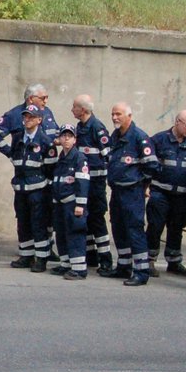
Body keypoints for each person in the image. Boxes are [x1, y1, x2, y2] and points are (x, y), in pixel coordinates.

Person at [101, 101, 156, 286]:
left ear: (129, 116)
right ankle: (123, 266)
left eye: (119, 114)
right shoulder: (115, 136)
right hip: (117, 190)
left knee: (134, 229)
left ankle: (141, 271)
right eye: (113, 114)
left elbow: (151, 166)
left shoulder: (140, 137)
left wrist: (142, 185)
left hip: (132, 192)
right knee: (118, 227)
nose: (115, 117)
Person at [146, 111, 186, 276]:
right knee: (155, 226)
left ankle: (174, 261)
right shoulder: (159, 140)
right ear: (178, 122)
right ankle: (149, 261)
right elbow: (148, 164)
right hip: (161, 193)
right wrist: (146, 186)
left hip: (181, 196)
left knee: (177, 228)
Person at [5, 104, 53, 271]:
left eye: (31, 117)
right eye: (25, 116)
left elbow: (50, 169)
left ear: (39, 120)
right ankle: (26, 255)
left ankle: (41, 258)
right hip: (20, 188)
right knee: (23, 223)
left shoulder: (46, 142)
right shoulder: (18, 138)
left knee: (38, 224)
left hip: (38, 190)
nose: (27, 120)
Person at [68, 95, 112, 271]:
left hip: (96, 184)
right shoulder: (80, 127)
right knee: (84, 219)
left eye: (75, 107)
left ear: (83, 110)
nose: (72, 110)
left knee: (97, 219)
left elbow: (108, 155)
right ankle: (91, 256)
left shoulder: (97, 127)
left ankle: (106, 259)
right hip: (83, 183)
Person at [48, 123, 90, 279]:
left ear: (75, 139)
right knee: (61, 234)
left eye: (69, 136)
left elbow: (83, 183)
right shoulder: (62, 158)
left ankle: (79, 269)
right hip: (60, 204)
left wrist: (80, 205)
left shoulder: (79, 158)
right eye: (63, 136)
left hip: (73, 204)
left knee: (75, 234)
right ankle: (65, 264)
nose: (66, 139)